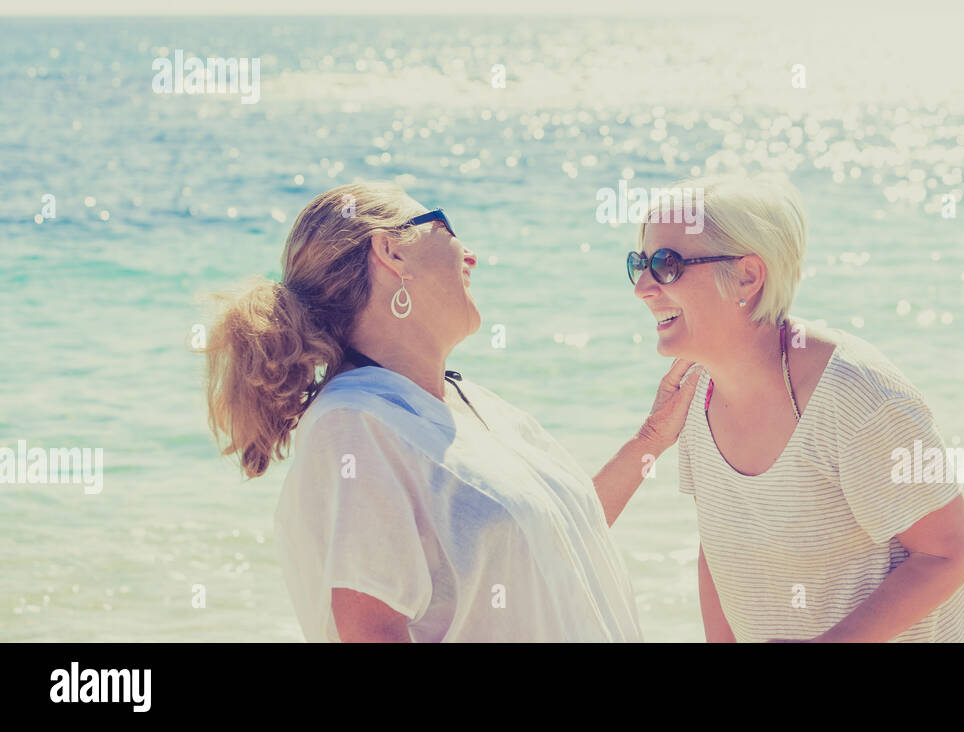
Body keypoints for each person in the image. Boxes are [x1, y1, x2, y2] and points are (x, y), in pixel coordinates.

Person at [205, 181, 699, 641]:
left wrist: (651, 439)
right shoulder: (355, 423)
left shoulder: (467, 402)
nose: (472, 256)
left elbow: (555, 541)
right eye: (445, 227)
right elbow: (373, 632)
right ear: (392, 251)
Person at [627, 172, 964, 642]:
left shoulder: (858, 394)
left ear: (747, 276)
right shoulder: (696, 393)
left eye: (667, 264)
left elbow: (948, 556)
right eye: (640, 263)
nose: (644, 287)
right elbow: (717, 553)